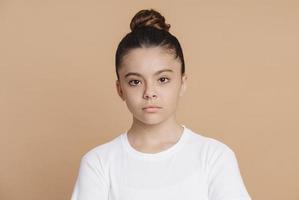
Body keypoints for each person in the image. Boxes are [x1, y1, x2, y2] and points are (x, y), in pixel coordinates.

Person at [70, 8, 252, 200]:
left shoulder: (214, 157)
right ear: (120, 89)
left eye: (163, 79)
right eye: (135, 81)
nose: (149, 93)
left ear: (182, 82)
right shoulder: (98, 163)